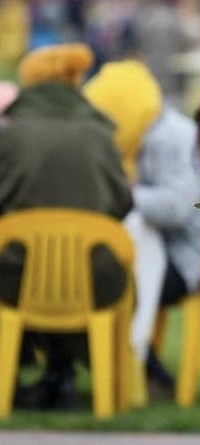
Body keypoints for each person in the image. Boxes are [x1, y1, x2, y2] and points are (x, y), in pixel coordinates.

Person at [83, 59, 200, 394]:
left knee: (114, 286)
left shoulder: (174, 136)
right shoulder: (137, 137)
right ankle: (135, 370)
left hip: (192, 256)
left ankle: (144, 373)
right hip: (154, 248)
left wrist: (118, 194)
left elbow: (176, 207)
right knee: (97, 276)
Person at [0, 43, 133, 409]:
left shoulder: (9, 136)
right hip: (96, 280)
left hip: (15, 279)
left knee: (21, 270)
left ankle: (19, 378)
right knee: (91, 271)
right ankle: (69, 374)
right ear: (75, 82)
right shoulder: (100, 134)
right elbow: (123, 203)